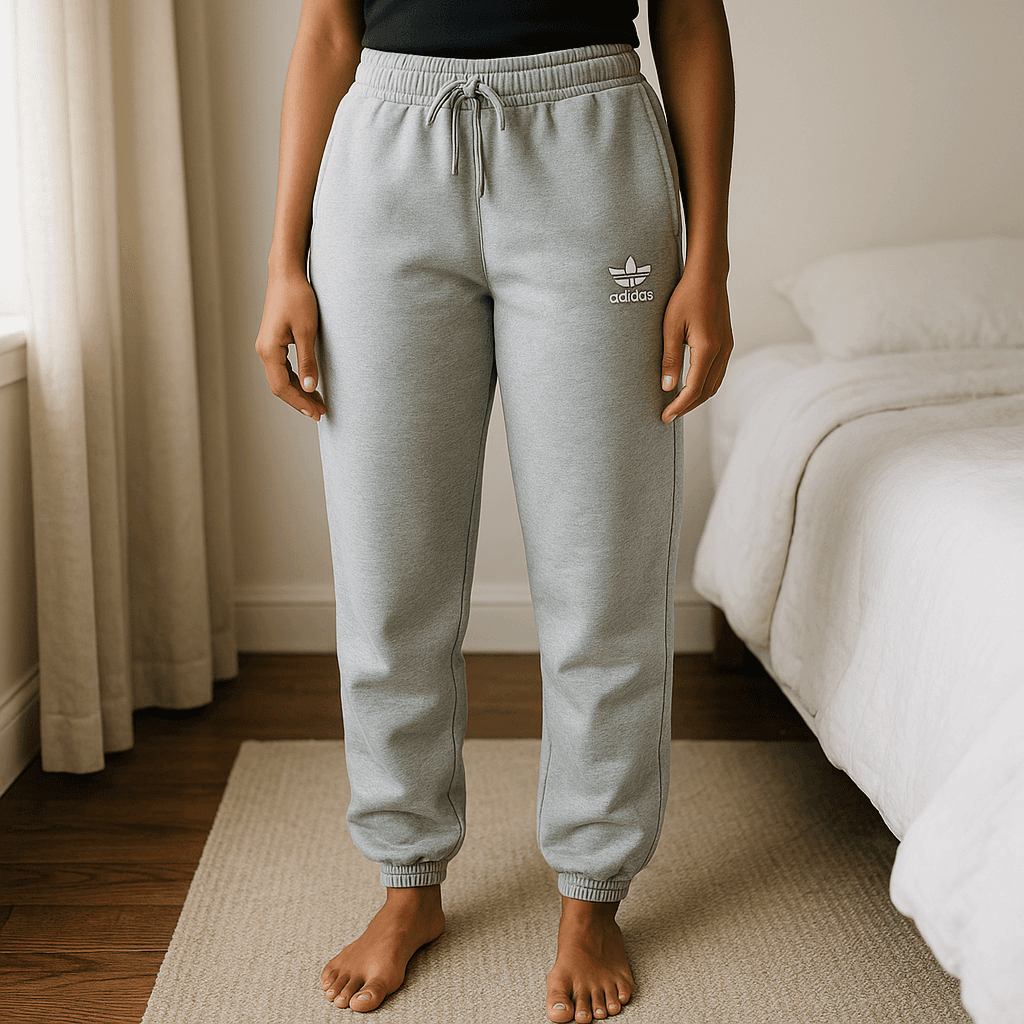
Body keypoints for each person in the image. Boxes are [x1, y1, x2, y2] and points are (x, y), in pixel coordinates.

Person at [255, 1, 734, 1019]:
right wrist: (282, 263)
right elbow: (327, 30)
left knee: (601, 562)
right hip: (383, 161)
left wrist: (710, 255)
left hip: (592, 157)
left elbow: (691, 16)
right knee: (390, 571)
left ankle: (592, 892)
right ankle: (406, 878)